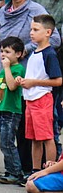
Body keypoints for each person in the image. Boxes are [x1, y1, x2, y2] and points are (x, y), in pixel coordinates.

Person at [0, 0, 58, 175]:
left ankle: (33, 170)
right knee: (10, 124)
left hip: (32, 78)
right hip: (9, 77)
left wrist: (24, 51)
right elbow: (1, 47)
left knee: (29, 128)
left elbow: (55, 38)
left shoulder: (36, 10)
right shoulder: (2, 13)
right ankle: (17, 169)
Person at [16, 14, 62, 173]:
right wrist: (24, 80)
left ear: (48, 32)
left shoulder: (49, 54)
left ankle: (50, 170)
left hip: (42, 100)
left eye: (36, 29)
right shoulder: (34, 52)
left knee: (47, 137)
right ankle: (35, 170)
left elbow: (58, 81)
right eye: (31, 29)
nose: (31, 33)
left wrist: (33, 83)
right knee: (34, 138)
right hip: (30, 100)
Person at [0, 37, 27, 185]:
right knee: (3, 143)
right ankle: (9, 169)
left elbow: (12, 86)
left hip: (11, 111)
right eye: (1, 51)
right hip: (2, 109)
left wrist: (6, 68)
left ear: (18, 54)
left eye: (7, 51)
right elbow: (1, 87)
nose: (3, 55)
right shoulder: (3, 70)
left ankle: (16, 172)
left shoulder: (17, 69)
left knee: (7, 143)